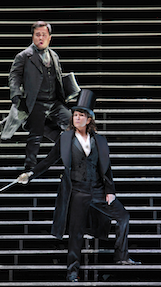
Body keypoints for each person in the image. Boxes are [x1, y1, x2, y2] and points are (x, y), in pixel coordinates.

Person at [18, 89, 141, 282]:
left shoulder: (99, 141)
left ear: (89, 119)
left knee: (124, 216)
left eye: (81, 115)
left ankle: (121, 257)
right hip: (77, 191)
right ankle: (72, 272)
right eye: (75, 115)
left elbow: (106, 168)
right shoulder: (65, 139)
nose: (76, 118)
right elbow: (48, 160)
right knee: (75, 233)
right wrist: (30, 173)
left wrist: (110, 191)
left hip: (98, 191)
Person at [2, 21, 73, 171]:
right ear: (33, 37)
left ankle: (69, 153)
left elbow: (58, 76)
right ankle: (29, 168)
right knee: (35, 135)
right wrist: (15, 94)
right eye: (37, 34)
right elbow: (14, 76)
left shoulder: (54, 55)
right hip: (36, 101)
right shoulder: (24, 56)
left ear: (49, 37)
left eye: (44, 35)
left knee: (72, 122)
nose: (41, 38)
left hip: (54, 101)